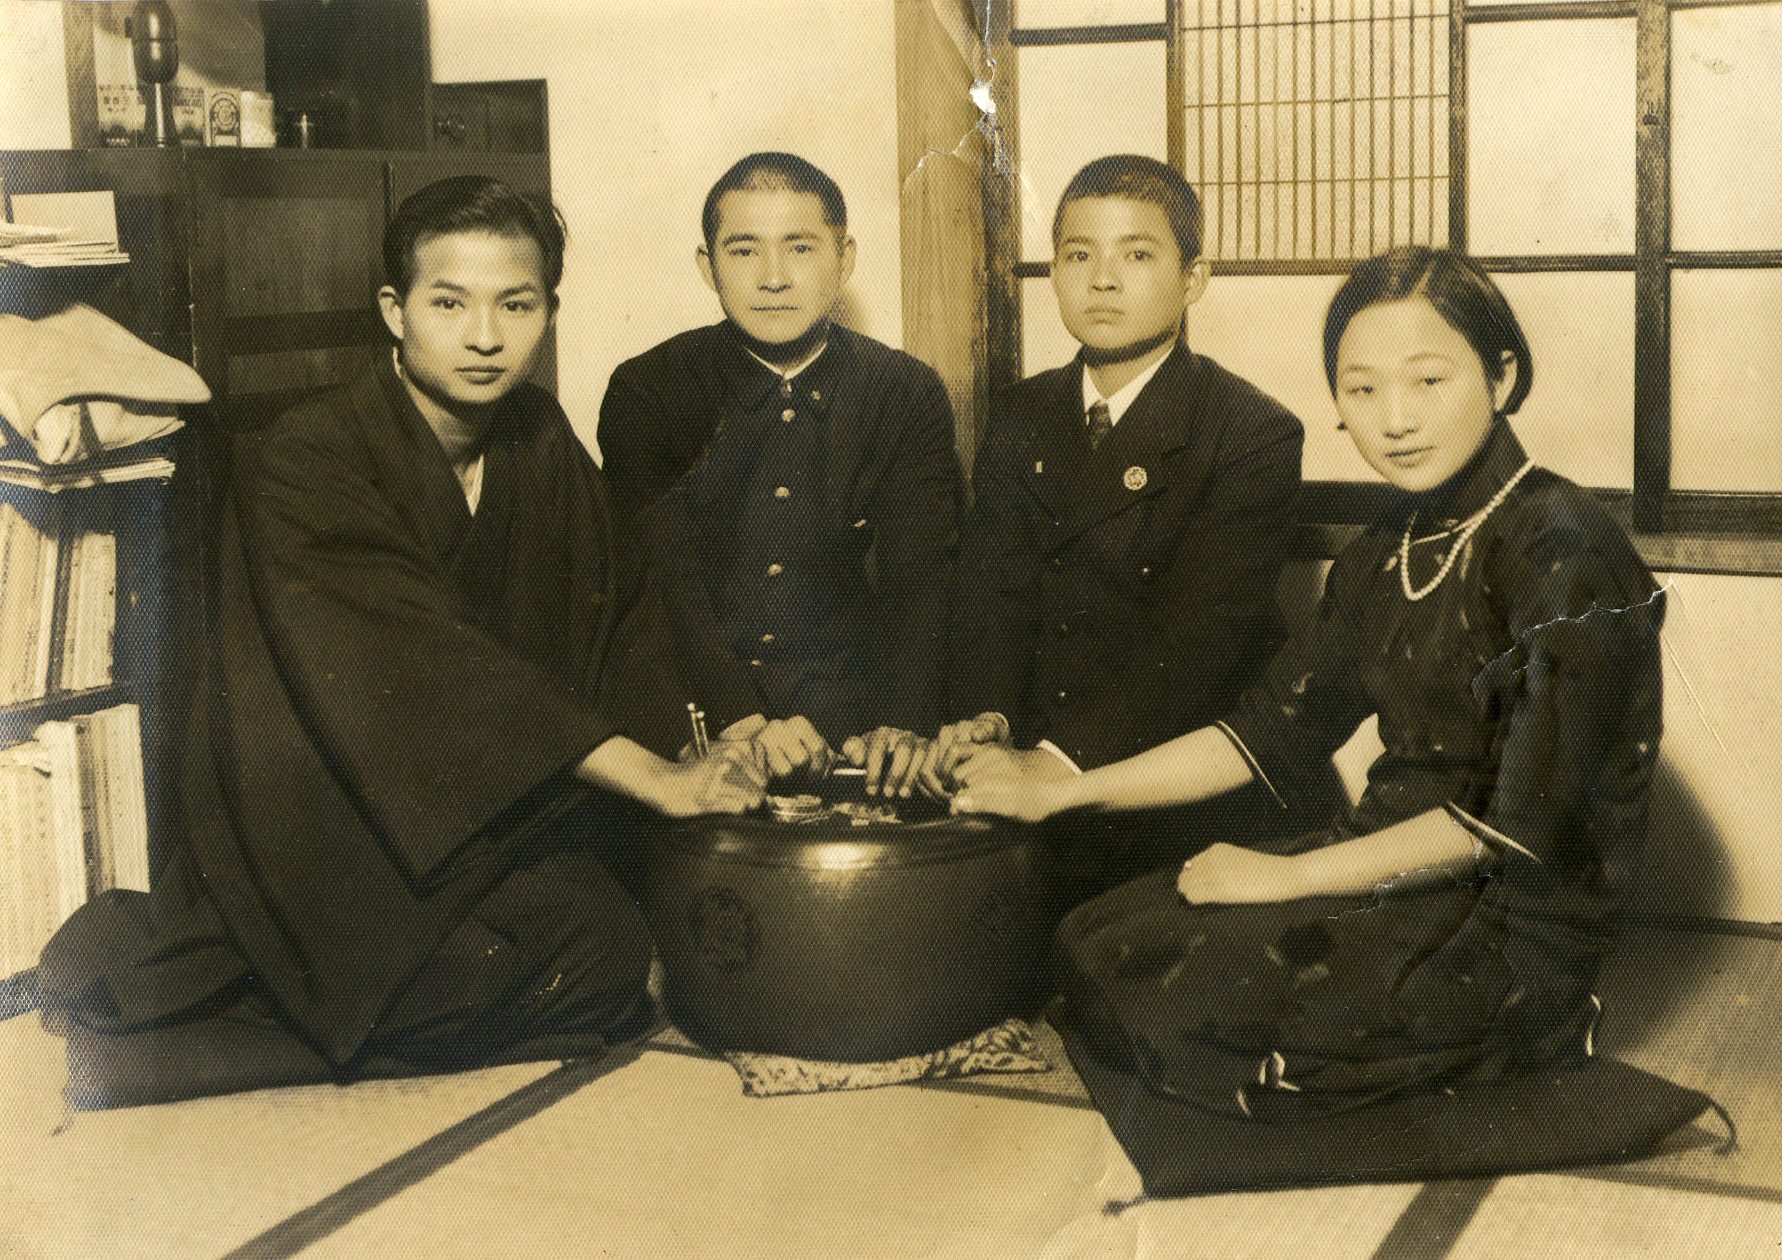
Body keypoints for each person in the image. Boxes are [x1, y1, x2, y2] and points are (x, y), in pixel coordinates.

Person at [36, 176, 774, 1107]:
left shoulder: (538, 436)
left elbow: (619, 617)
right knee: (583, 959)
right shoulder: (308, 455)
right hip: (326, 823)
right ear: (395, 310)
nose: (484, 336)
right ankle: (194, 1032)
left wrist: (705, 744)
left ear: (550, 311)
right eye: (449, 303)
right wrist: (657, 779)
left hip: (468, 815)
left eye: (517, 304)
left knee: (606, 948)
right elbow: (431, 668)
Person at [952, 246, 1666, 1122]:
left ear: (1502, 376)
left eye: (1429, 381)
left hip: (1513, 913)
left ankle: (1529, 1036)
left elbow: (1518, 822)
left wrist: (1289, 879)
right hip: (1379, 859)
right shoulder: (1383, 551)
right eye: (1361, 389)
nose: (1395, 419)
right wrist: (1064, 789)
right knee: (1094, 939)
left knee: (1185, 1003)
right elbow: (1266, 732)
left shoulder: (1565, 546)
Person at [922, 155, 1308, 899]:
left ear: (1193, 279)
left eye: (1136, 255)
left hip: (1173, 788)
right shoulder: (1022, 411)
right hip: (1026, 766)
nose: (1102, 280)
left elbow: (1198, 645)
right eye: (1078, 255)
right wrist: (987, 718)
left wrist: (1057, 763)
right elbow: (990, 597)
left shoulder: (1249, 431)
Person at [597, 152, 961, 783]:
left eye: (800, 248)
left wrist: (901, 727)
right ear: (708, 267)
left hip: (858, 731)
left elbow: (922, 579)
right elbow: (660, 582)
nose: (773, 278)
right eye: (743, 251)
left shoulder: (905, 391)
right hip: (696, 724)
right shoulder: (648, 389)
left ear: (844, 259)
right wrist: (739, 724)